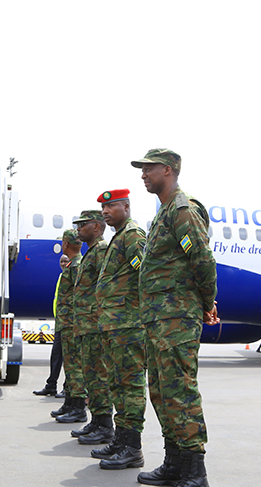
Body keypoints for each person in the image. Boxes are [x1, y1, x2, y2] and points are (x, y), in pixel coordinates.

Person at [131, 148, 218, 487]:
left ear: (167, 171)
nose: (143, 174)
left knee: (180, 391)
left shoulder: (183, 210)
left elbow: (203, 260)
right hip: (158, 320)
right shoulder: (164, 213)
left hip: (177, 319)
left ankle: (195, 471)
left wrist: (207, 301)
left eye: (148, 169)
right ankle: (174, 463)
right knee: (161, 392)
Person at [91, 189, 148, 470]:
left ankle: (132, 448)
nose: (105, 211)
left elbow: (144, 275)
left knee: (131, 385)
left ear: (126, 206)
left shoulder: (133, 236)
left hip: (129, 325)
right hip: (114, 325)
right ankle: (121, 441)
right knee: (117, 384)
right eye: (103, 207)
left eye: (111, 206)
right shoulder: (119, 237)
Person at [63, 211, 113, 445]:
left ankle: (105, 425)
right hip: (84, 326)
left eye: (83, 225)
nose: (79, 229)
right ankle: (96, 420)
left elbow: (106, 285)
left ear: (96, 227)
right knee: (91, 376)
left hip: (94, 325)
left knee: (98, 375)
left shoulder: (102, 250)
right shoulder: (92, 252)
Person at [51, 230, 87, 422]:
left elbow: (78, 298)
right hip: (67, 323)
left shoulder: (76, 267)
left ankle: (78, 407)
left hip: (72, 324)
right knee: (70, 366)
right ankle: (70, 403)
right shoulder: (74, 265)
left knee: (75, 366)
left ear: (66, 245)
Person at [33, 266, 64, 397]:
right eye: (61, 261)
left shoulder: (74, 271)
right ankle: (51, 385)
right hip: (60, 322)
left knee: (71, 360)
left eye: (65, 261)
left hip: (69, 323)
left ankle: (69, 389)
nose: (63, 263)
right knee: (56, 356)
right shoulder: (62, 276)